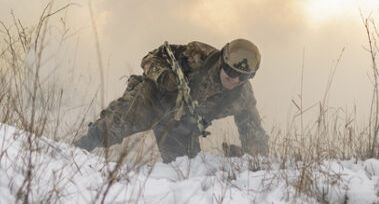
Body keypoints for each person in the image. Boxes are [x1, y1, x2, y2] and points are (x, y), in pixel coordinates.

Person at [75, 38, 270, 163]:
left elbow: (254, 133)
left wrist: (254, 159)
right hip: (153, 98)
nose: (235, 80)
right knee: (115, 126)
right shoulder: (197, 55)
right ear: (221, 61)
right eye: (231, 72)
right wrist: (163, 75)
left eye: (243, 76)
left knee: (185, 169)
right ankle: (74, 154)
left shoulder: (242, 96)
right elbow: (150, 58)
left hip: (181, 126)